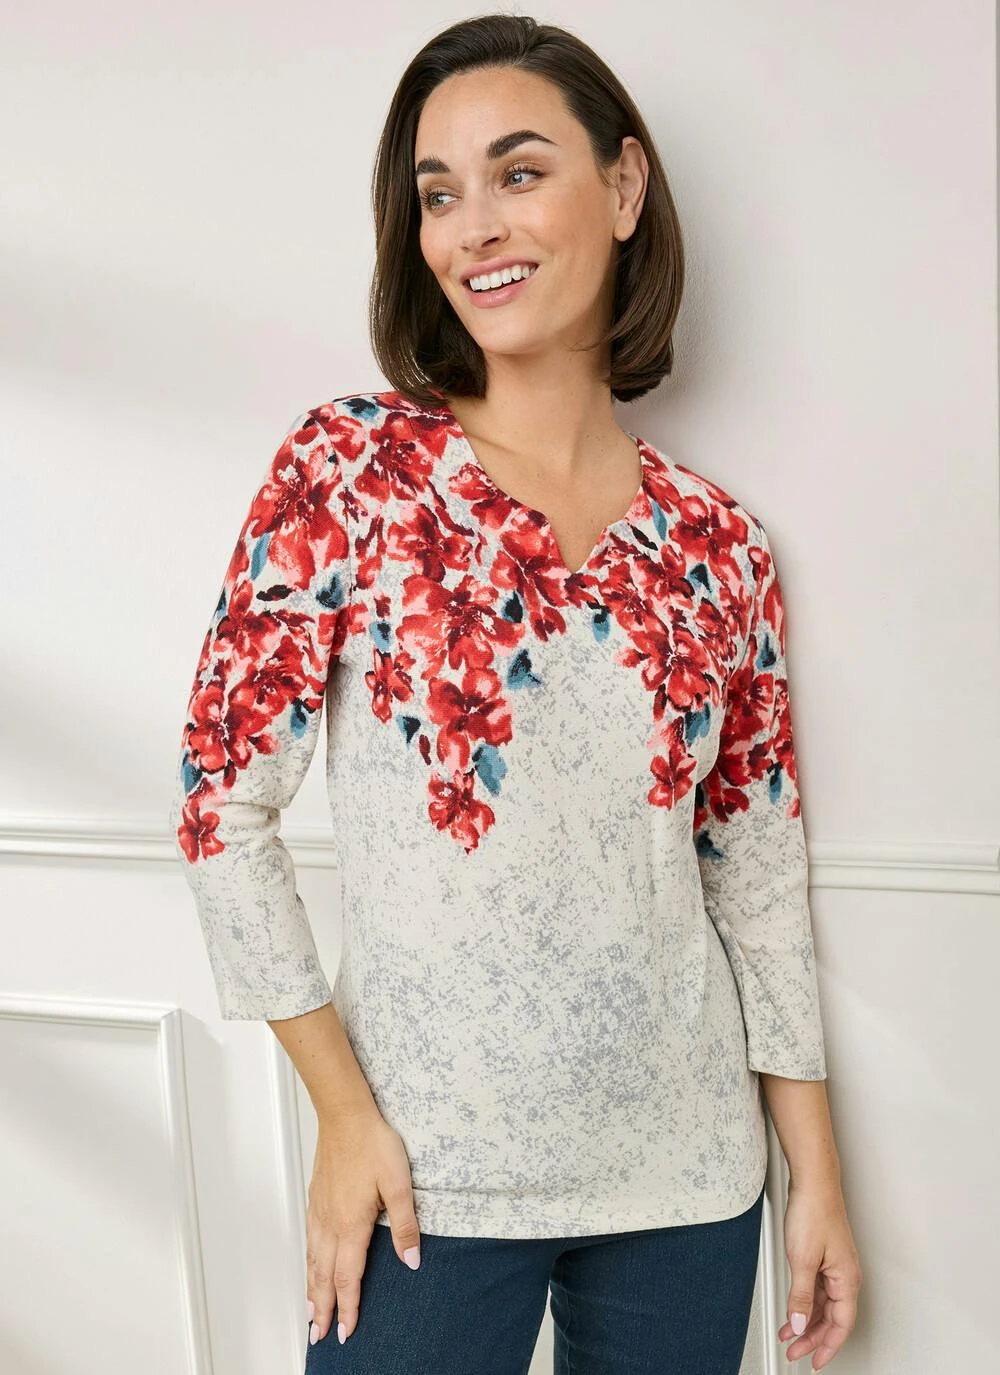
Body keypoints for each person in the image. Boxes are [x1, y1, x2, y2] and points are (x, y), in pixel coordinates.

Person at [168, 12, 862, 1374]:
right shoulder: (350, 472)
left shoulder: (720, 542)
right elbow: (219, 806)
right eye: (438, 194)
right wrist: (343, 1117)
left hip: (689, 1183)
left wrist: (815, 1174)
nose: (473, 227)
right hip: (424, 1180)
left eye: (520, 172)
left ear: (624, 185)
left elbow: (755, 869)